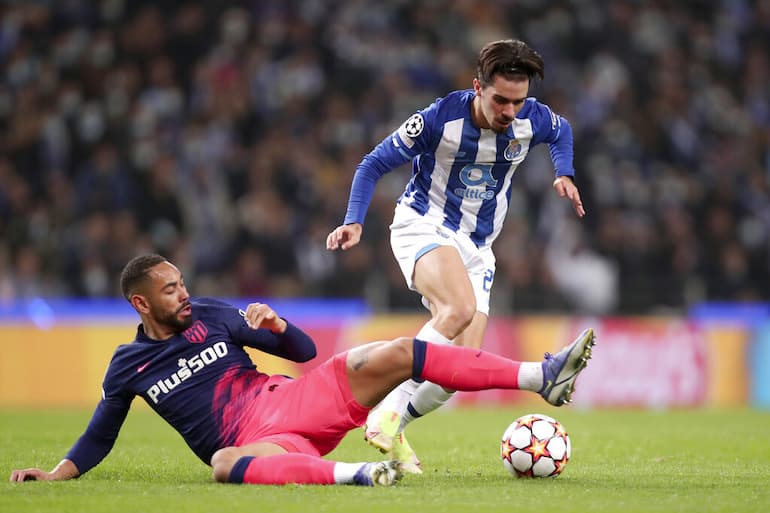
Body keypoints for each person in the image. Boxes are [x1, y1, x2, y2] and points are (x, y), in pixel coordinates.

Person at [9, 254, 595, 486]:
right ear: (141, 304)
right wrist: (58, 475)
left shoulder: (212, 314)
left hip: (301, 399)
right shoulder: (128, 365)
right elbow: (101, 430)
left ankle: (539, 376)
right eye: (169, 290)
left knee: (390, 352)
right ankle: (360, 475)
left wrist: (277, 328)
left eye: (182, 282)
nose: (183, 294)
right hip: (265, 441)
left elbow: (306, 351)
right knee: (223, 465)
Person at [326, 39, 586, 473]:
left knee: (455, 372)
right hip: (423, 224)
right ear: (477, 87)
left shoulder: (532, 118)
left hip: (479, 247)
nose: (509, 111)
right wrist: (354, 220)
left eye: (517, 102)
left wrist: (564, 171)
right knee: (458, 309)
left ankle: (394, 423)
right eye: (500, 100)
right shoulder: (439, 117)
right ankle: (390, 408)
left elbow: (562, 132)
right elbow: (371, 164)